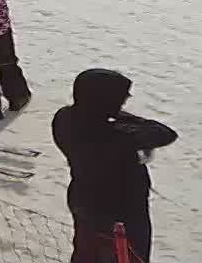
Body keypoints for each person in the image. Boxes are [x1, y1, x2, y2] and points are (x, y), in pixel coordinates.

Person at [52, 69, 178, 262]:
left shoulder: (64, 118)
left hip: (83, 201)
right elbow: (164, 133)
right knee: (126, 256)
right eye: (120, 97)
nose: (126, 99)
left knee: (87, 252)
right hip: (121, 214)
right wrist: (124, 118)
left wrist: (113, 115)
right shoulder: (117, 138)